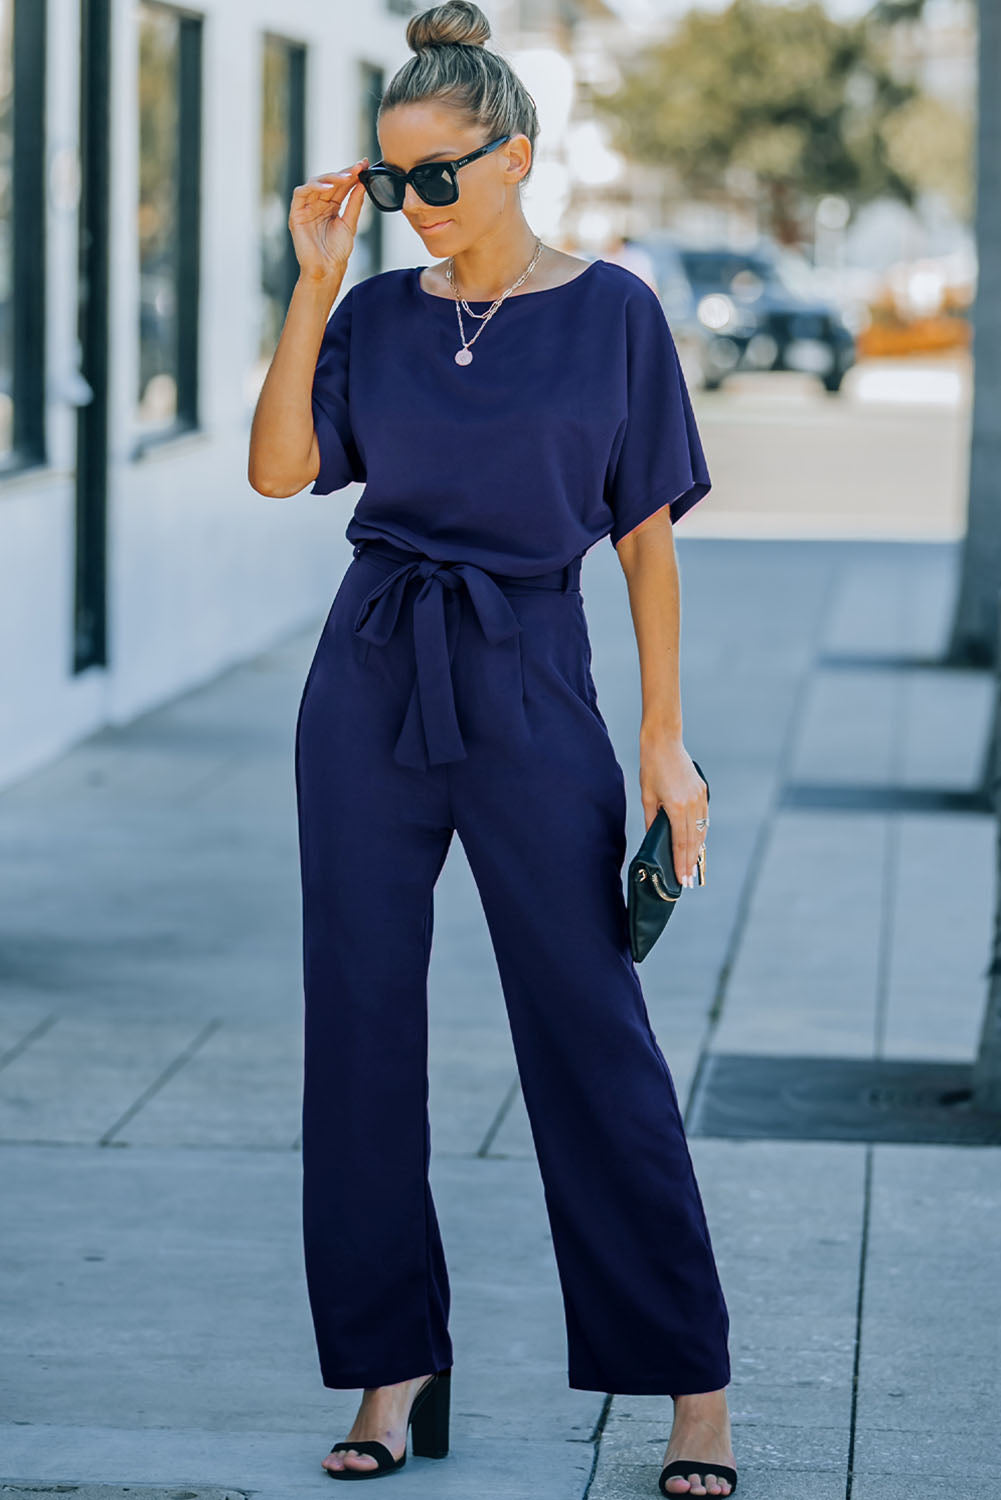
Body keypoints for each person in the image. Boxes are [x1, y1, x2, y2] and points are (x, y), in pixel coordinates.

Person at [247, 3, 738, 1495]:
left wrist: (664, 743)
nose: (411, 210)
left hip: (531, 680)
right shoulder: (379, 314)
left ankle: (690, 1391)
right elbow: (281, 471)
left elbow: (644, 544)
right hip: (370, 674)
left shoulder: (613, 314)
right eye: (387, 185)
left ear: (516, 158)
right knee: (360, 1030)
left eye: (434, 180)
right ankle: (393, 1369)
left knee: (591, 1037)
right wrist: (316, 285)